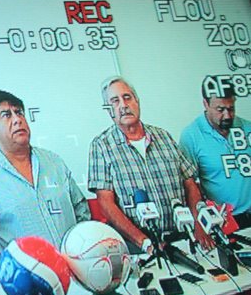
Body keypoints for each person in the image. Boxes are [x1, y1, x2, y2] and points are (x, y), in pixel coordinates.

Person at [0, 90, 90, 274]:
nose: (17, 119)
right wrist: (4, 279)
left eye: (19, 112)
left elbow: (81, 210)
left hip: (77, 274)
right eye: (6, 115)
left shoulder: (53, 162)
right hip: (27, 287)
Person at [87, 75, 212, 253]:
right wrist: (144, 242)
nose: (123, 105)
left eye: (127, 97)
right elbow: (106, 204)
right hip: (140, 246)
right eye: (115, 101)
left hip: (182, 237)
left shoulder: (164, 137)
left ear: (137, 101)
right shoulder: (101, 146)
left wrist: (199, 224)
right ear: (109, 111)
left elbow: (190, 185)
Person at [179, 78, 251, 229]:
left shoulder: (249, 127)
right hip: (223, 223)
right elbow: (190, 185)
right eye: (220, 110)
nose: (227, 116)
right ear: (205, 104)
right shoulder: (191, 135)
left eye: (231, 108)